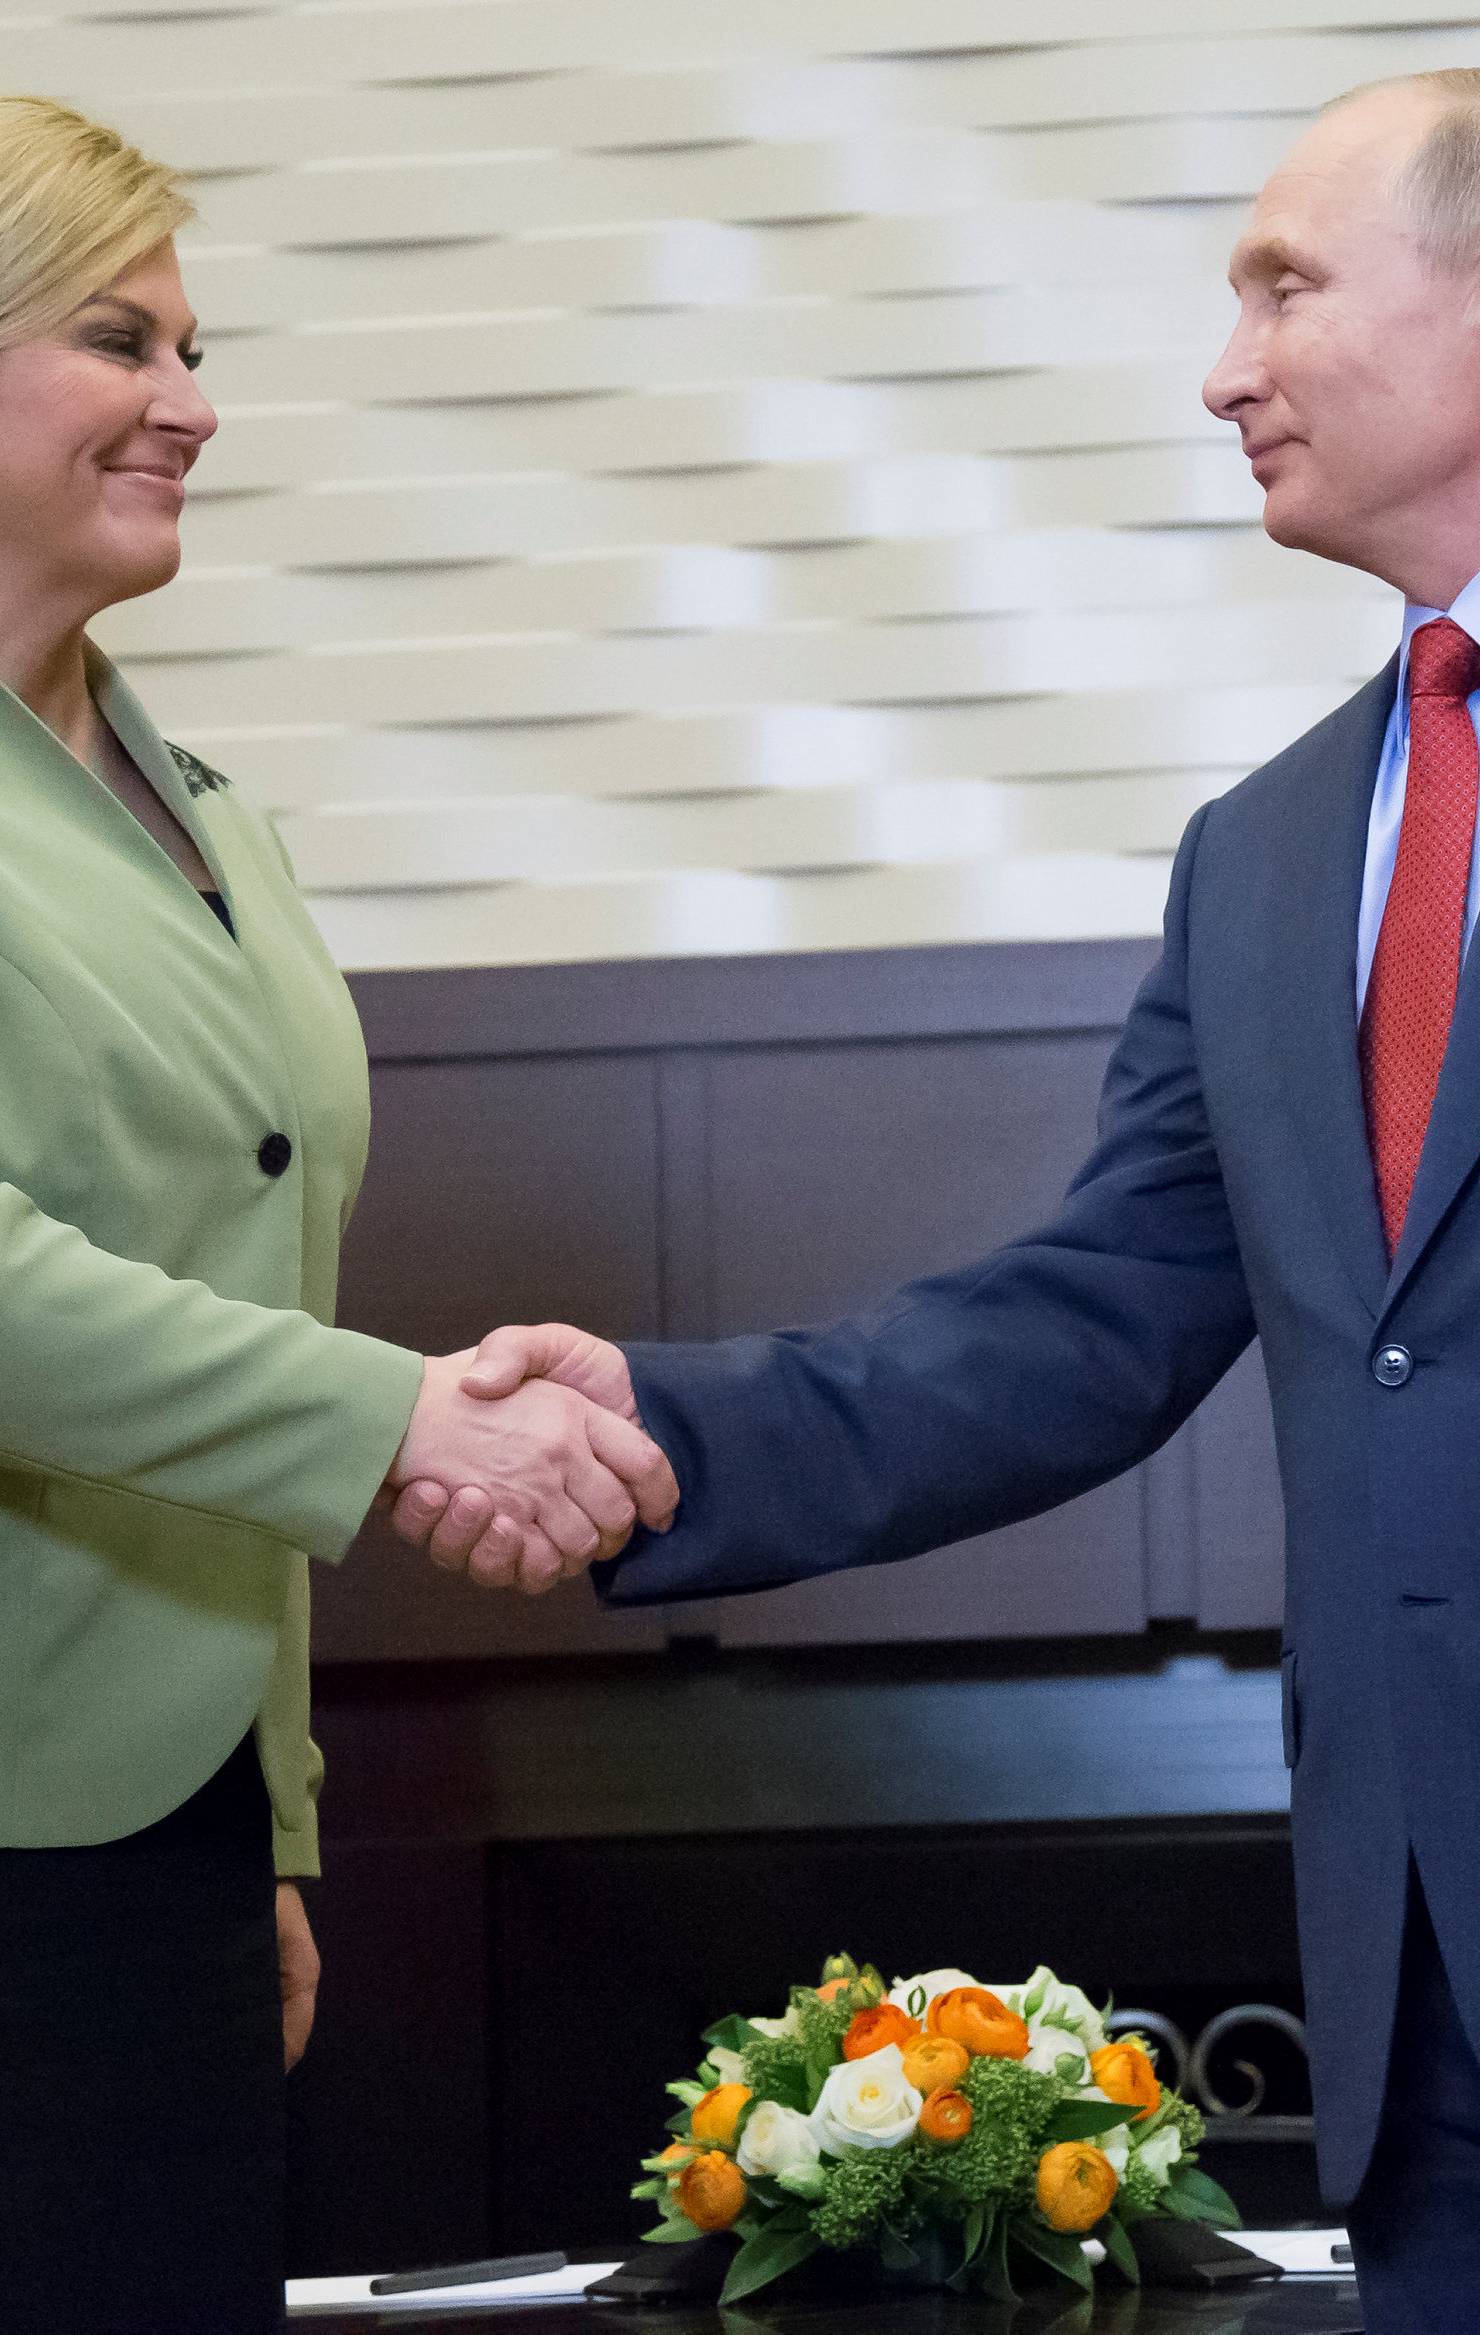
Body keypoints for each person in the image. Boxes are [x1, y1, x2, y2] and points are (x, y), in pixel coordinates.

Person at [398, 66, 1480, 2333]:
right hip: (1444, 2048)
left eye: (1283, 288)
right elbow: (1088, 1320)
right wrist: (660, 1428)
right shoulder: (1270, 846)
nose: (1226, 368)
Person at [0, 97, 675, 2335]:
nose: (194, 406)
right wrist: (413, 1423)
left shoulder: (202, 810)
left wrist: (266, 1822)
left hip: (160, 1822)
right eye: (123, 340)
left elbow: (234, 1276)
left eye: (201, 348)